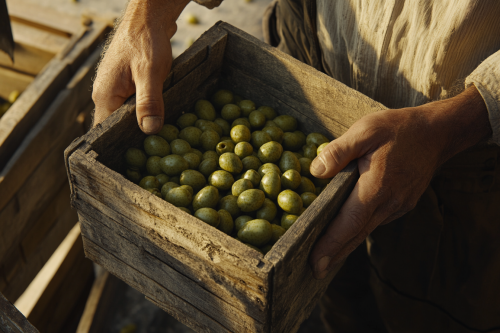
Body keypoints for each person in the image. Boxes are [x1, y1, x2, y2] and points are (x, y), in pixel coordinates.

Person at [92, 0, 500, 332]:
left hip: (466, 141)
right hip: (312, 40)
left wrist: (458, 121)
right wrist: (149, 11)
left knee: (429, 307)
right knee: (333, 292)